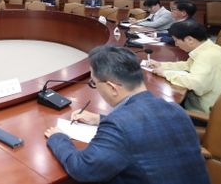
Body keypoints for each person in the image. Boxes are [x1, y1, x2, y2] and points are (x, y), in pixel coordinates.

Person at [45, 45, 210, 184]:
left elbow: (83, 169)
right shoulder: (176, 109)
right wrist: (99, 119)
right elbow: (143, 128)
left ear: (112, 87)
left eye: (94, 83)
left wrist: (58, 138)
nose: (95, 87)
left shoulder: (119, 125)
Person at [148, 19, 221, 113]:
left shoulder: (206, 56)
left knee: (158, 108)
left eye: (176, 40)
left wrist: (166, 73)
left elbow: (195, 83)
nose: (176, 44)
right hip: (218, 105)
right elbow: (188, 65)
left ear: (190, 40)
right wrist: (161, 65)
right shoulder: (210, 48)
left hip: (207, 111)